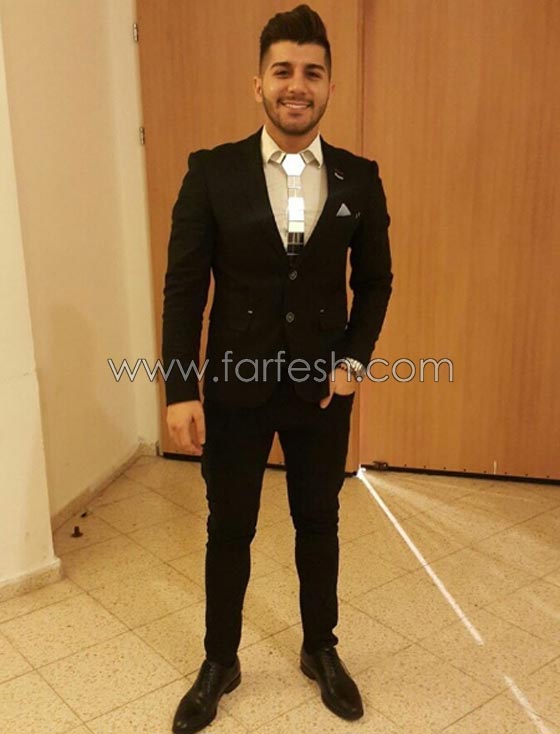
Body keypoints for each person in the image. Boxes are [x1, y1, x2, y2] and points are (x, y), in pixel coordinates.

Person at [162, 5, 392, 732]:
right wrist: (180, 389)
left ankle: (320, 648)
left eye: (312, 72)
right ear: (257, 83)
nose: (298, 85)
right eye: (283, 70)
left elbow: (376, 281)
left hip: (322, 392)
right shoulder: (211, 173)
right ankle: (220, 660)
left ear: (329, 87)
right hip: (234, 389)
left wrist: (353, 360)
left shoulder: (359, 178)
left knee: (318, 522)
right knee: (229, 528)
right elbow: (184, 287)